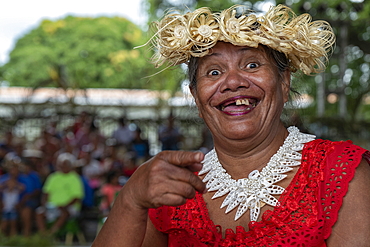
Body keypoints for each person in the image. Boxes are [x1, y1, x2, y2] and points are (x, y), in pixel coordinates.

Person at [92, 4, 370, 247]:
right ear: (196, 98)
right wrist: (130, 200)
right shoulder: (171, 190)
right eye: (214, 72)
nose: (233, 81)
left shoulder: (340, 171)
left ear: (284, 83)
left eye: (251, 65)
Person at [35, 152, 84, 235]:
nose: (63, 167)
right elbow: (46, 193)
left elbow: (77, 198)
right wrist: (45, 205)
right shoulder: (53, 177)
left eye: (66, 164)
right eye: (62, 165)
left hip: (69, 206)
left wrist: (64, 206)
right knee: (39, 213)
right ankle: (43, 234)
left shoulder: (75, 178)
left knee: (64, 213)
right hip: (52, 206)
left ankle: (51, 234)